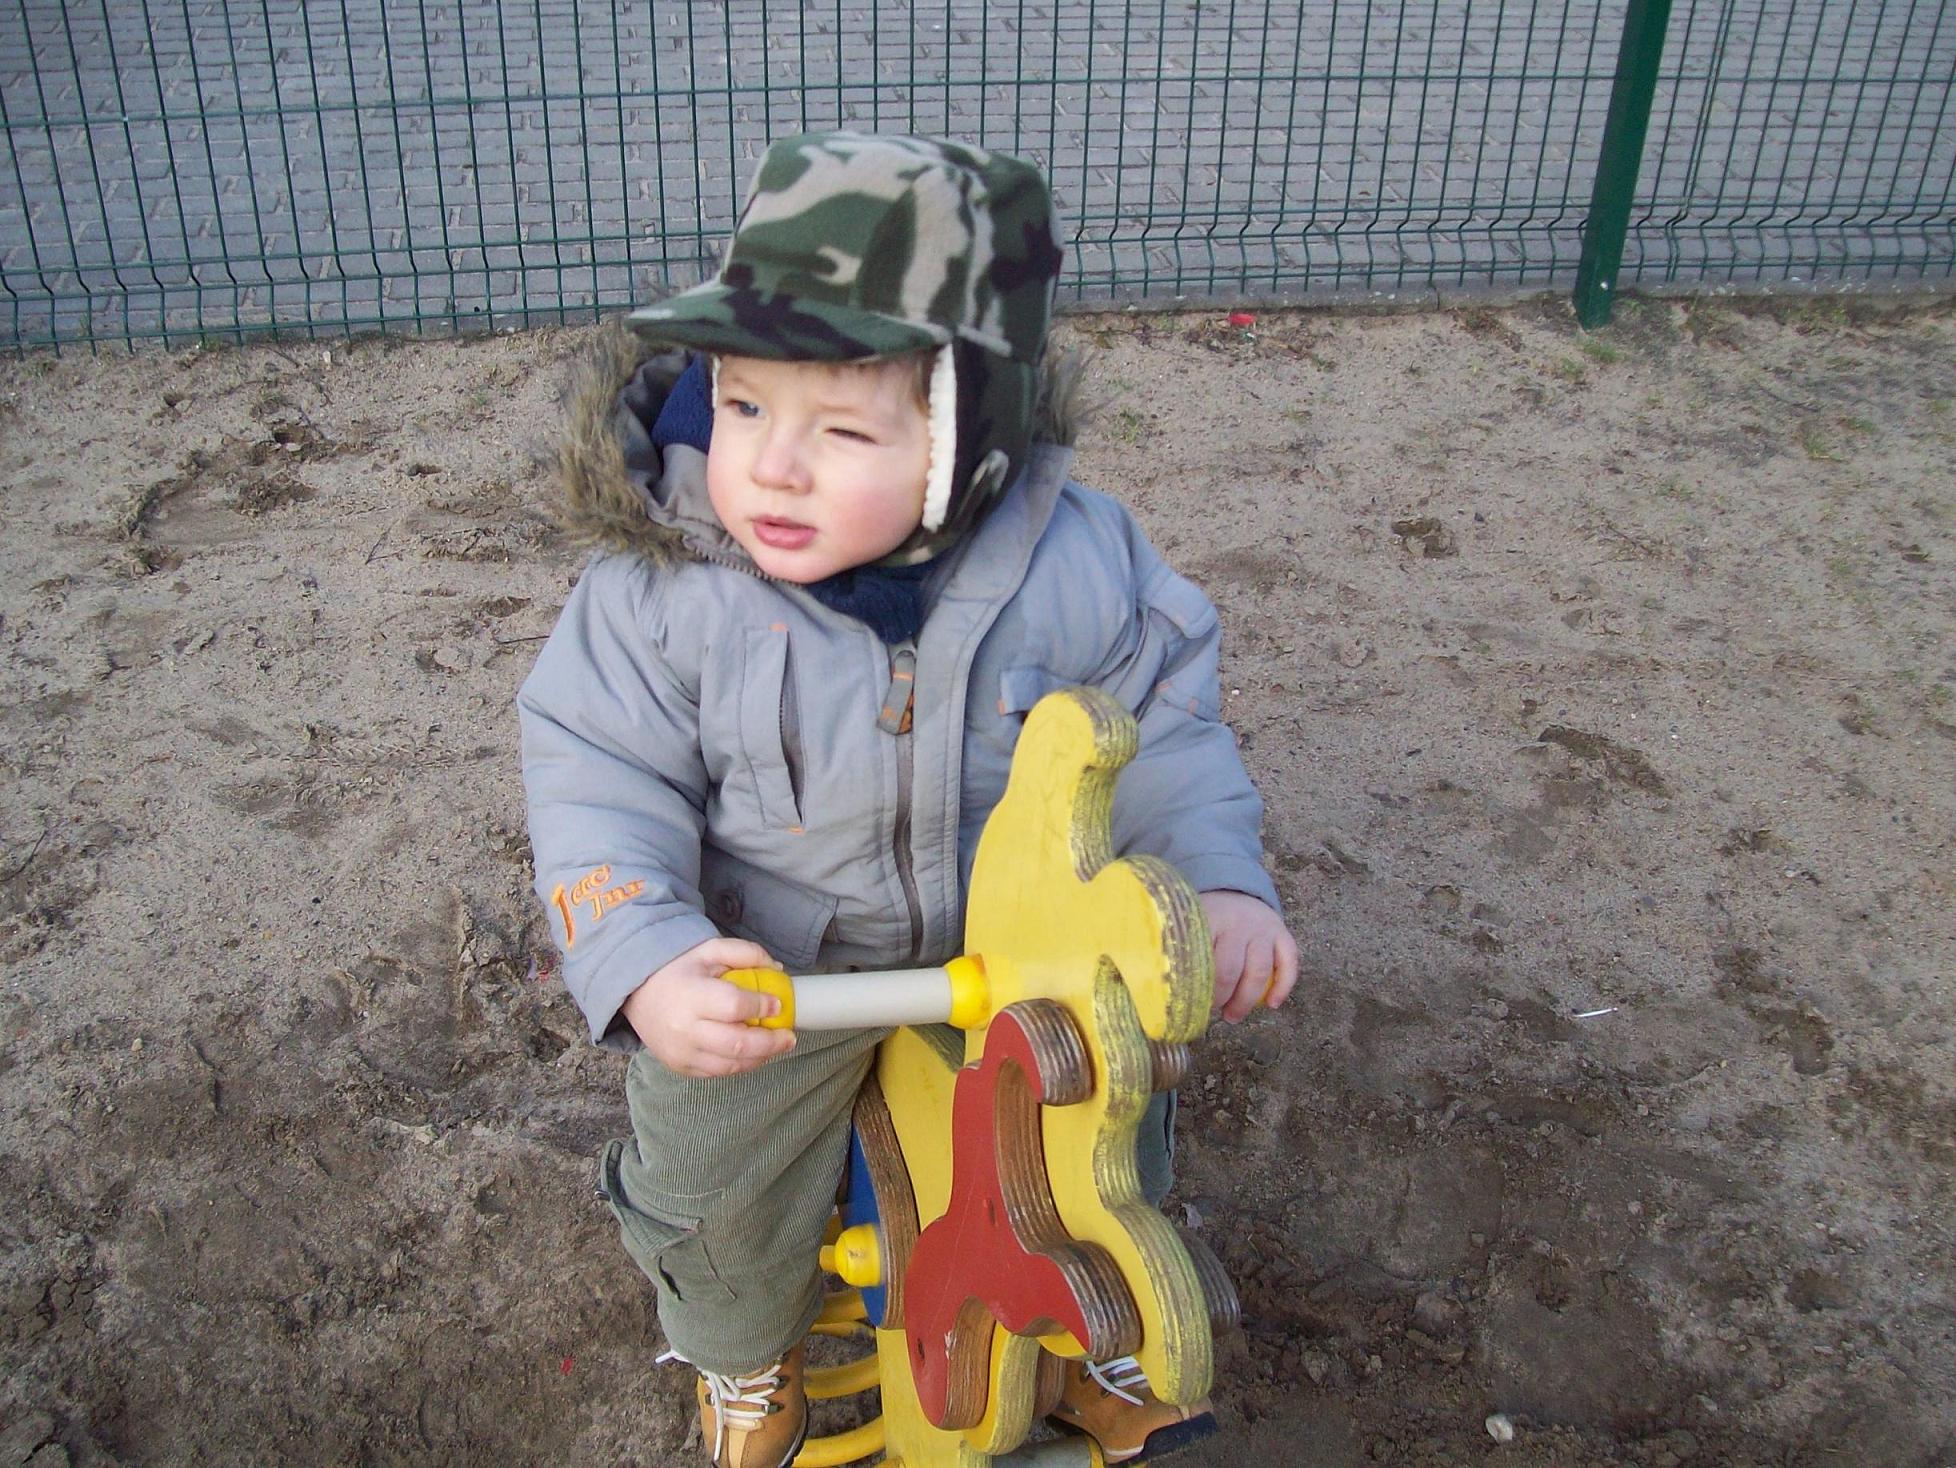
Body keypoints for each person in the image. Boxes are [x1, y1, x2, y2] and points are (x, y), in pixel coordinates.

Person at [519, 132, 1298, 1468]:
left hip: (1014, 946)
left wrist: (1213, 885)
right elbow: (597, 769)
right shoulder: (666, 588)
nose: (769, 467)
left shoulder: (1076, 565)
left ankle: (1085, 1339)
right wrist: (644, 954)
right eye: (744, 407)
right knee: (710, 1178)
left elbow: (1160, 733)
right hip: (771, 961)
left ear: (970, 441)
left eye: (841, 430)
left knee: (1106, 1117)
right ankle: (739, 1352)